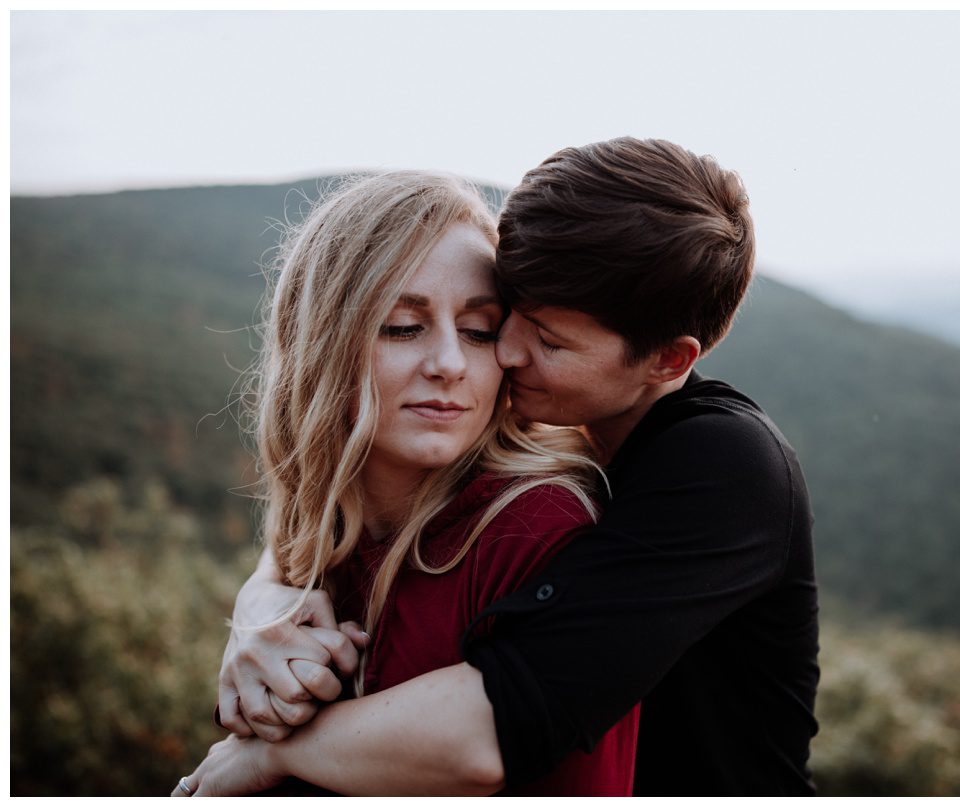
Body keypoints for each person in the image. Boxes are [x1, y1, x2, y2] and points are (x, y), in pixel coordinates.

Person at [203, 137, 820, 796]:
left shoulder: (721, 467)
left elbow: (497, 723)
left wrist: (269, 756)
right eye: (508, 314)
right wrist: (267, 594)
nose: (503, 351)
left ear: (669, 360)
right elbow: (328, 512)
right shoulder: (552, 436)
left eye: (547, 339)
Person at [174, 170, 639, 796]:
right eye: (401, 326)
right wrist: (258, 601)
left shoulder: (536, 529)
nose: (449, 364)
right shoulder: (324, 527)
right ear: (322, 343)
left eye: (479, 330)